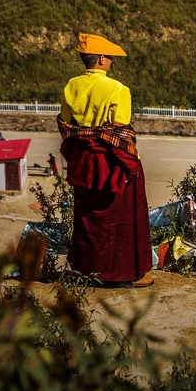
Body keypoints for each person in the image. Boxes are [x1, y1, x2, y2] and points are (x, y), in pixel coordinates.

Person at [58, 33, 153, 288]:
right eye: (109, 57)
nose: (110, 61)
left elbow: (67, 124)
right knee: (122, 217)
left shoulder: (71, 86)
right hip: (112, 162)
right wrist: (129, 164)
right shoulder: (117, 89)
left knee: (88, 216)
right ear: (101, 59)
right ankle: (122, 274)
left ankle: (87, 270)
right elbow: (119, 130)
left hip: (84, 161)